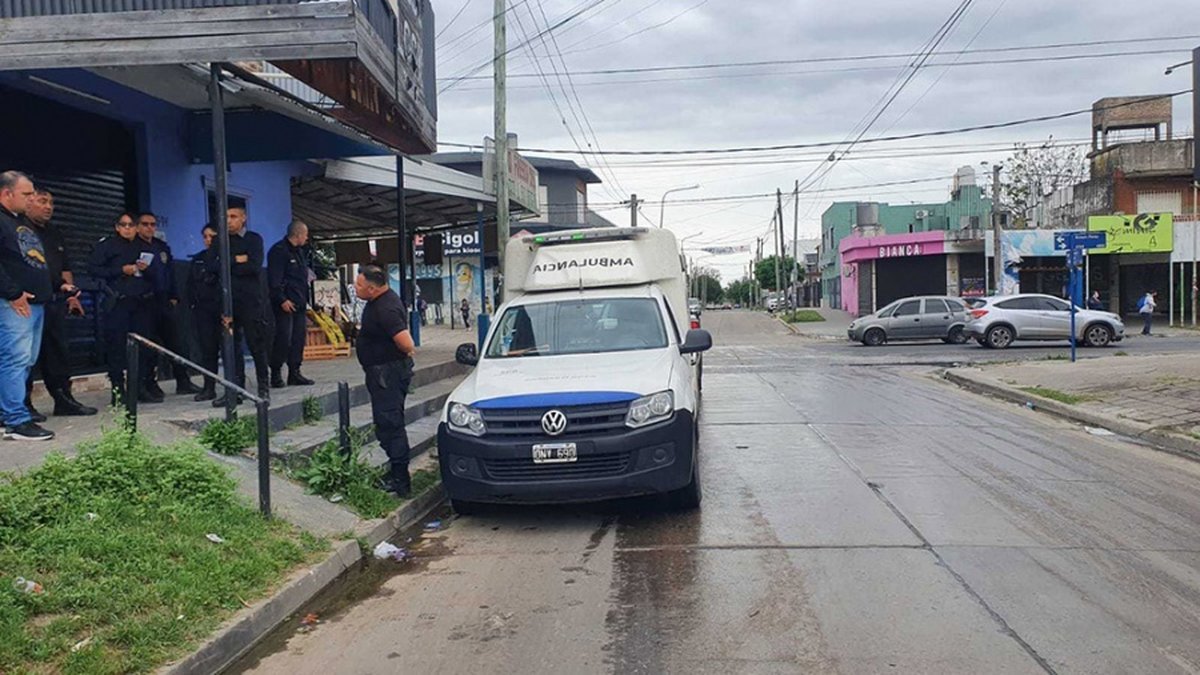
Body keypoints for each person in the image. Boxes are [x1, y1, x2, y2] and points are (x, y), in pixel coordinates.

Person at [23, 190, 95, 418]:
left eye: (51, 202)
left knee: (58, 352)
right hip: (27, 302)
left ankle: (63, 399)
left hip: (54, 301)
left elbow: (65, 268)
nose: (48, 207)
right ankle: (23, 404)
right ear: (28, 202)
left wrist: (72, 296)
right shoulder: (20, 230)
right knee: (24, 356)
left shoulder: (54, 233)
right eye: (42, 201)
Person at [0, 171, 54, 440]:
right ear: (6, 193)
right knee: (15, 359)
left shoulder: (18, 222)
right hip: (15, 303)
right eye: (26, 194)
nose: (32, 198)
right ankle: (16, 421)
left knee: (25, 360)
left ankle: (6, 413)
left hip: (36, 303)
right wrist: (13, 293)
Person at [354, 265, 416, 496]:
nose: (355, 288)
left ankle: (401, 481)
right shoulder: (378, 302)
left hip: (387, 374)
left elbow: (407, 343)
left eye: (359, 285)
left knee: (391, 424)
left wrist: (403, 354)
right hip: (381, 372)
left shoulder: (386, 308)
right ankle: (395, 471)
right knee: (385, 424)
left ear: (372, 289)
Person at [88, 213, 157, 405]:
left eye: (131, 225)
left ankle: (139, 388)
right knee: (116, 348)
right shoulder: (107, 246)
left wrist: (146, 269)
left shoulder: (144, 247)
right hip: (118, 303)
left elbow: (157, 274)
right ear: (117, 227)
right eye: (123, 225)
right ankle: (118, 391)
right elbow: (93, 270)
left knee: (142, 347)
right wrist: (120, 270)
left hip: (141, 304)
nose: (128, 228)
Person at [136, 211, 200, 398]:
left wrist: (174, 296)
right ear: (138, 226)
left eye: (153, 224)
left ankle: (183, 381)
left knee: (176, 342)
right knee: (148, 346)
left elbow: (170, 273)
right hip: (144, 301)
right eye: (145, 224)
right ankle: (149, 383)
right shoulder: (134, 247)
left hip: (164, 300)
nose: (149, 228)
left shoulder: (161, 247)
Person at [213, 207, 271, 406]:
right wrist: (237, 259)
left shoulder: (254, 239)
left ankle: (264, 387)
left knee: (256, 344)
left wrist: (229, 263)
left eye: (233, 216)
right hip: (227, 302)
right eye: (226, 217)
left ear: (243, 218)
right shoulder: (219, 240)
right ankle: (235, 389)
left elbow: (254, 266)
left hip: (250, 301)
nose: (229, 221)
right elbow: (214, 266)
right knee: (231, 347)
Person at [267, 219, 314, 388]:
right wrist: (282, 299)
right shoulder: (279, 251)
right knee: (282, 339)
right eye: (305, 235)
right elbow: (274, 279)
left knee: (297, 339)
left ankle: (295, 372)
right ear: (299, 234)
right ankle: (276, 373)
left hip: (299, 303)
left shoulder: (299, 253)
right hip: (284, 304)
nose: (306, 238)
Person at [189, 224, 222, 401]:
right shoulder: (199, 259)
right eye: (206, 236)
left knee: (230, 349)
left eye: (212, 236)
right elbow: (191, 284)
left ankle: (236, 387)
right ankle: (209, 387)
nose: (209, 240)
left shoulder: (225, 257)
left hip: (224, 310)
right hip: (204, 310)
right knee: (207, 351)